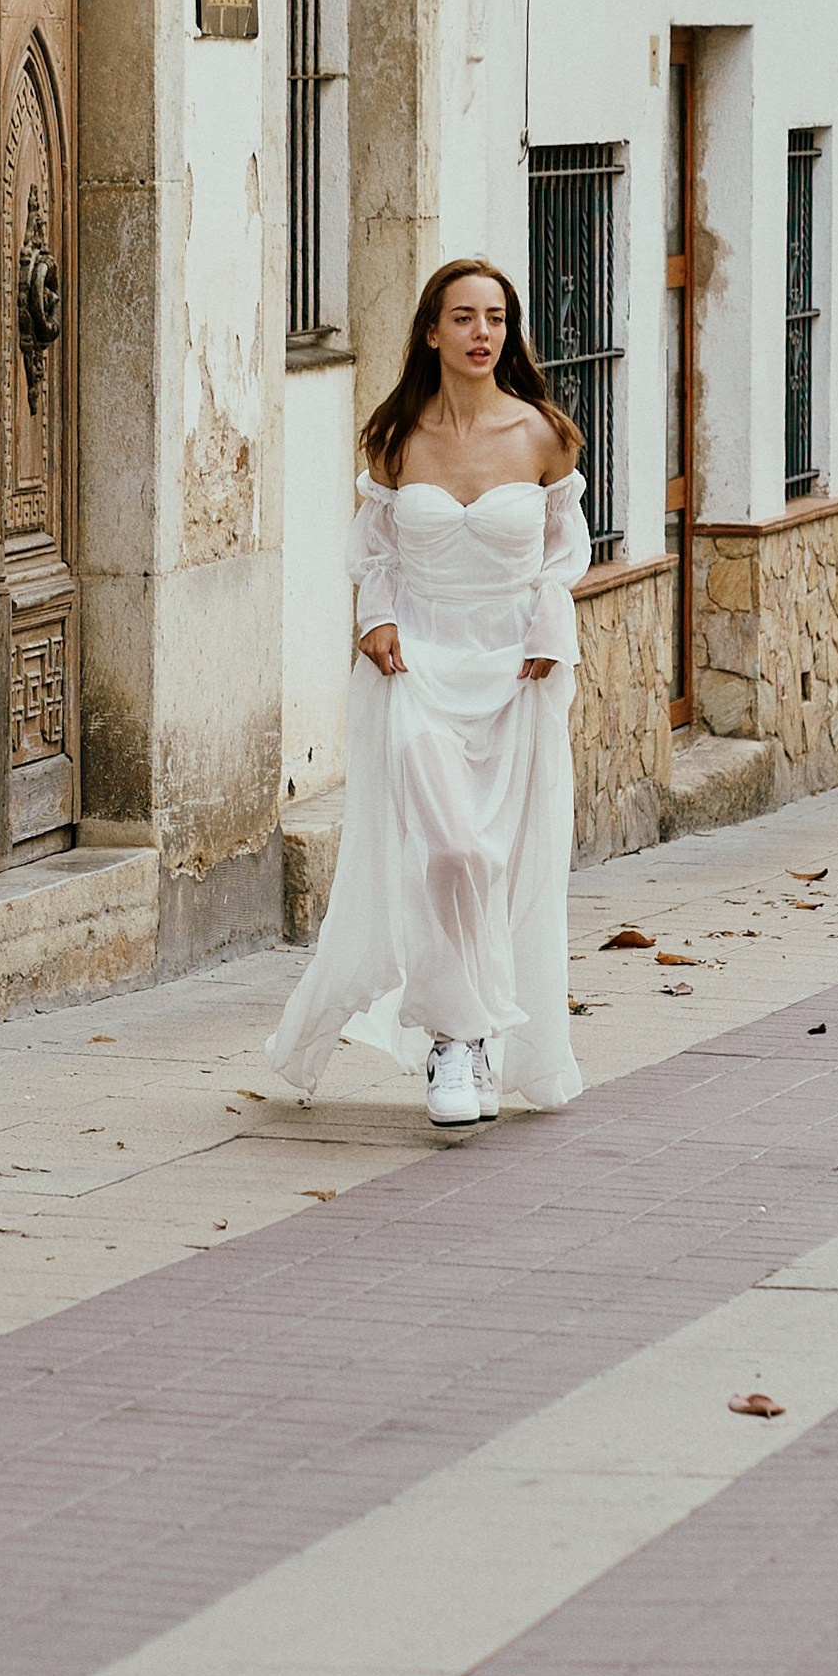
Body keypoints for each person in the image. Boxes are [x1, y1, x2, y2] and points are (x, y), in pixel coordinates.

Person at [268, 257, 591, 1133]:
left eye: (496, 318)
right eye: (464, 317)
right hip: (415, 672)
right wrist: (374, 620)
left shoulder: (543, 435)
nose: (482, 332)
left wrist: (547, 629)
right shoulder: (396, 437)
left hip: (510, 675)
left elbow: (565, 554)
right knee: (453, 853)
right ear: (430, 332)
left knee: (500, 860)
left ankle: (472, 1037)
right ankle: (455, 1039)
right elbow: (373, 550)